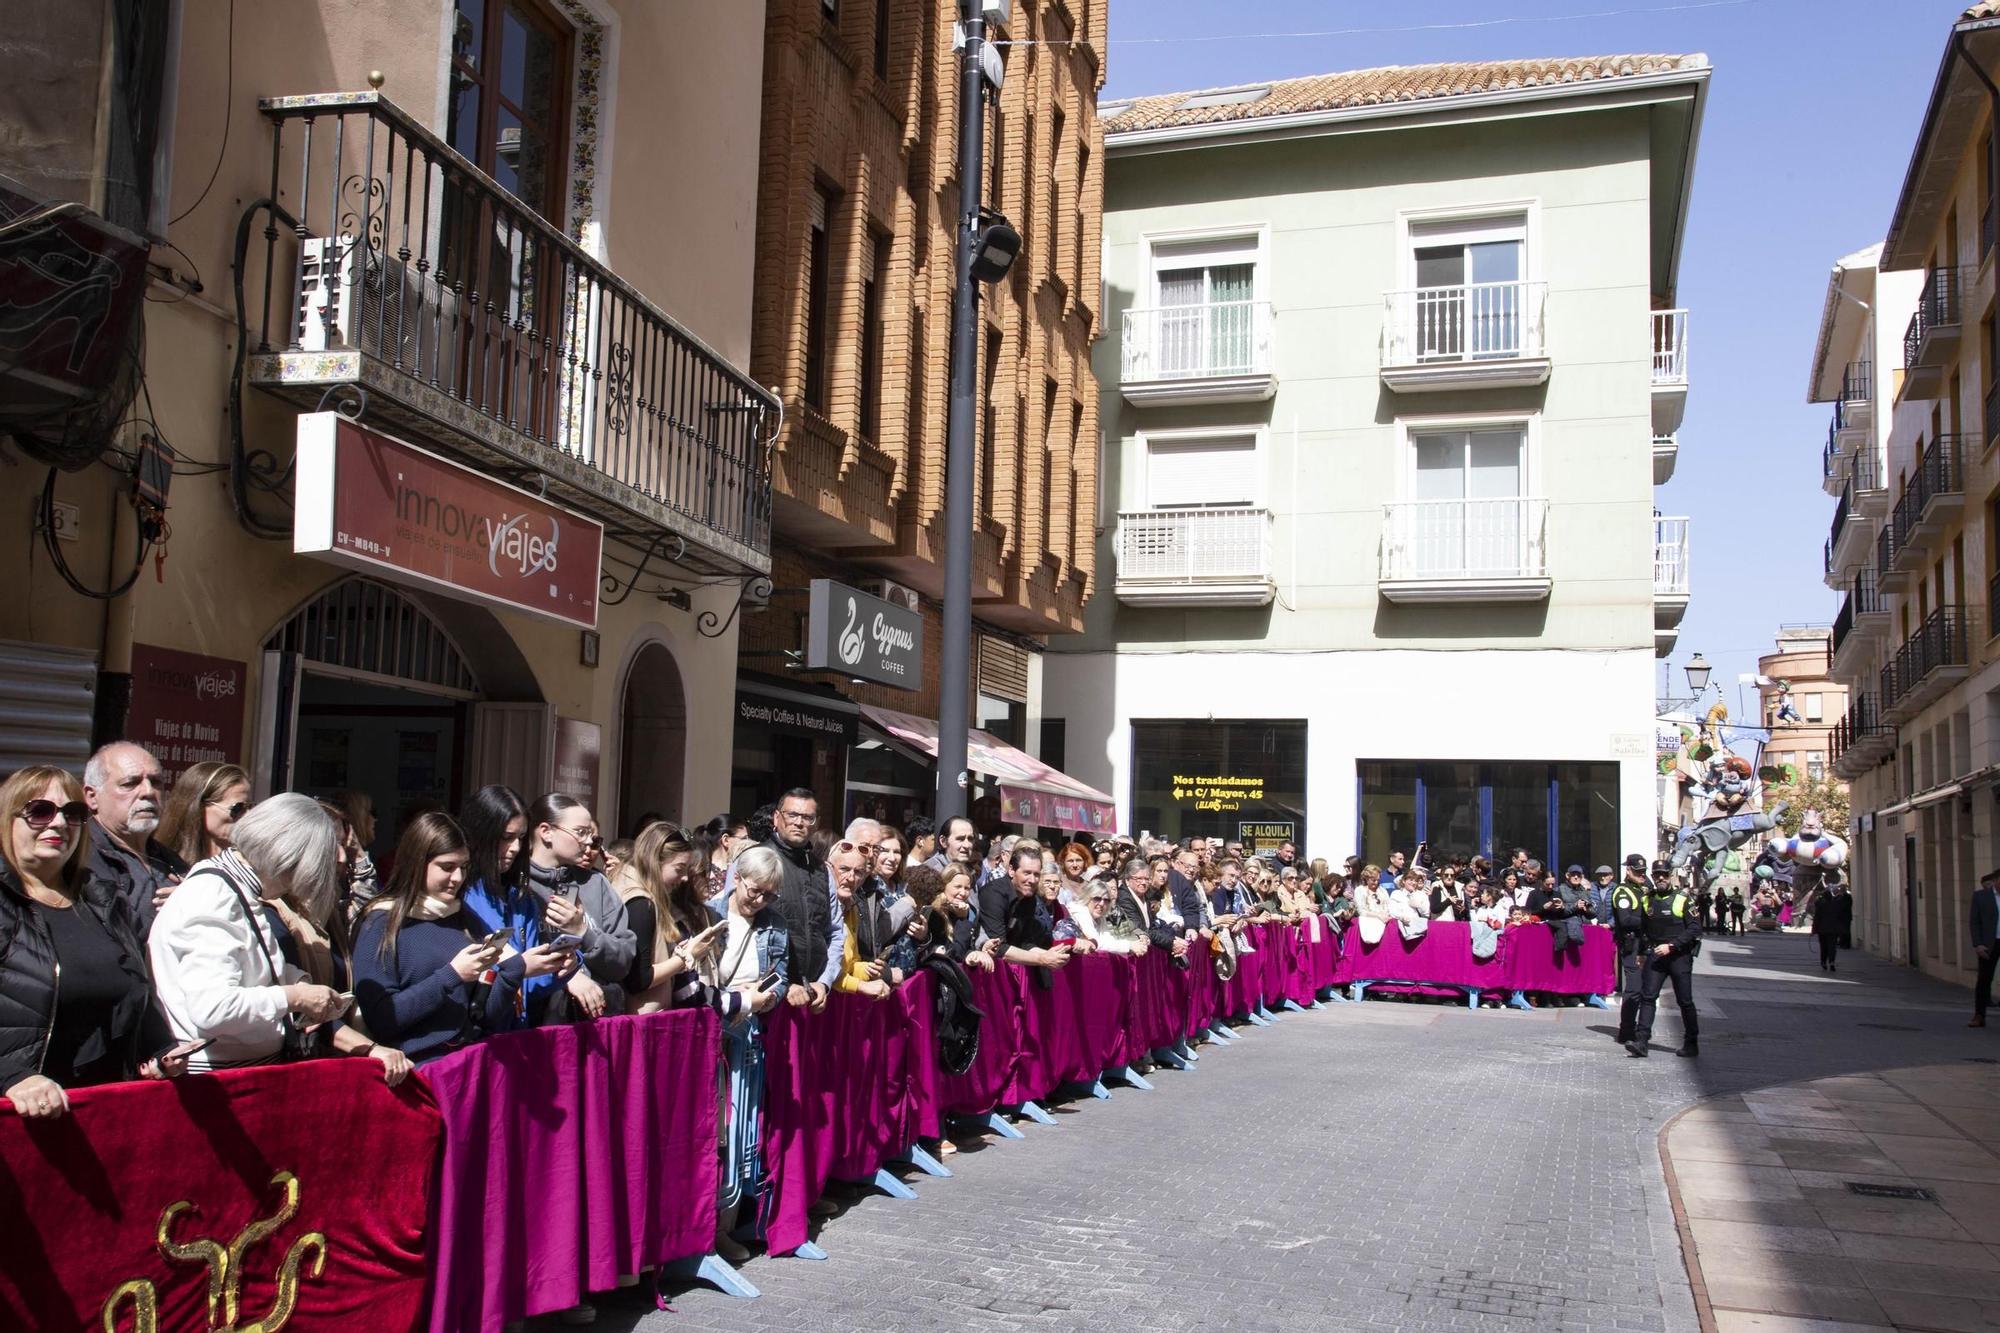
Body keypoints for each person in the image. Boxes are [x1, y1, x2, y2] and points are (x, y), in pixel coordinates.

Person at [149, 793, 408, 1082]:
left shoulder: (238, 889)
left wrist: (298, 982)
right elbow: (213, 1008)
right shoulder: (215, 896)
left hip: (244, 1073)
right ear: (289, 858)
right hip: (219, 1083)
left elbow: (256, 965)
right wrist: (295, 997)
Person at [1, 766, 188, 1119]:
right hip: (20, 1119)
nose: (58, 824)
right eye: (40, 811)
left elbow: (135, 992)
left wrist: (160, 1050)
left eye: (72, 813)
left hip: (103, 1115)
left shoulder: (104, 900)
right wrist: (12, 1077)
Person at [352, 813, 567, 1064]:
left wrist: (512, 972)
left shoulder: (464, 918)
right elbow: (382, 1020)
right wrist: (452, 975)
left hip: (468, 1066)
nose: (457, 878)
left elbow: (484, 1017)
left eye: (463, 867)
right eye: (447, 867)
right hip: (415, 1072)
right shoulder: (381, 923)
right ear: (417, 862)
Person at [701, 845, 789, 1265]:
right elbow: (702, 980)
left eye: (769, 895)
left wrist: (773, 995)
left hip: (752, 1034)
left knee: (744, 1133)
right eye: (755, 891)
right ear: (736, 879)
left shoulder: (774, 922)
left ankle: (728, 1226)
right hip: (719, 1031)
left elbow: (782, 975)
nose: (760, 901)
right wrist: (740, 1000)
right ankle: (708, 1228)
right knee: (719, 1131)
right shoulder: (710, 914)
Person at [525, 792, 638, 1020]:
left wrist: (583, 932)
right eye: (581, 832)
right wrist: (567, 977)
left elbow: (623, 960)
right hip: (535, 1030)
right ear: (546, 832)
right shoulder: (517, 886)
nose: (589, 841)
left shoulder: (596, 883)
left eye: (590, 834)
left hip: (595, 1027)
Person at [456, 785, 559, 1031]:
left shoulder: (522, 899)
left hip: (515, 1034)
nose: (514, 848)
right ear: (481, 834)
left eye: (521, 838)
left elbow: (531, 986)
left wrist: (560, 967)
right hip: (472, 1036)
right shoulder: (459, 894)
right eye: (506, 837)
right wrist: (518, 968)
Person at [82, 741, 188, 934]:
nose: (148, 792)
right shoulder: (78, 860)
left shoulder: (171, 861)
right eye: (130, 783)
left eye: (155, 782)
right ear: (92, 797)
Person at [759, 788, 844, 1014]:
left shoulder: (821, 870)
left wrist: (824, 982)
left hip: (815, 996)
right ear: (777, 818)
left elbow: (835, 932)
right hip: (770, 999)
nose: (799, 823)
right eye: (792, 815)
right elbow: (743, 933)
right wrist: (781, 984)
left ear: (815, 824)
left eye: (807, 817)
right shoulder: (757, 860)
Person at [1620, 859, 1701, 1059]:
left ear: (1671, 875)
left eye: (1664, 874)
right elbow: (1644, 929)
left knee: (1685, 1001)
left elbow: (1694, 928)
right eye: (1657, 875)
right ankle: (1642, 1041)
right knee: (1648, 998)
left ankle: (1691, 1043)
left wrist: (1672, 946)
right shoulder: (1648, 899)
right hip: (1656, 954)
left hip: (1678, 955)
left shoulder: (1683, 899)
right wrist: (1640, 953)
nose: (1661, 878)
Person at [156, 761, 253, 868]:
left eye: (249, 807)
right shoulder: (161, 864)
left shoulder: (254, 862)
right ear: (199, 807)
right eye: (238, 808)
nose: (247, 815)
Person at [332, 790, 381, 918]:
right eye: (372, 812)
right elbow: (363, 915)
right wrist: (359, 857)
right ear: (358, 816)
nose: (375, 819)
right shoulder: (341, 868)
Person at [1971, 868, 2000, 1028]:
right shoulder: (1981, 897)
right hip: (1989, 944)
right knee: (1984, 979)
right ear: (1995, 881)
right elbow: (1974, 921)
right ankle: (1979, 1015)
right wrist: (1978, 944)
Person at [1812, 873, 1853, 973]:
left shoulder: (1820, 903)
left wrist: (1814, 929)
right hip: (1834, 929)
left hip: (1822, 929)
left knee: (1824, 946)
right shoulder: (1837, 903)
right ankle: (1832, 961)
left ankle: (1823, 961)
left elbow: (1817, 917)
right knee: (1832, 946)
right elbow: (1844, 908)